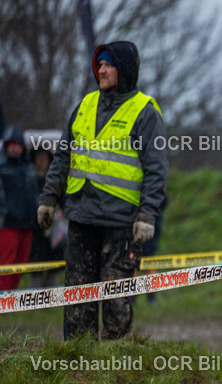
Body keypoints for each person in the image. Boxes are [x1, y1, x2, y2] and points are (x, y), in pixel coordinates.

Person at [38, 41, 168, 338]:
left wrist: (147, 215)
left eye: (108, 64)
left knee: (116, 303)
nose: (101, 69)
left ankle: (116, 371)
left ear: (124, 69)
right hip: (82, 218)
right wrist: (49, 198)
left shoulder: (145, 112)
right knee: (77, 301)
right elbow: (63, 157)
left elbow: (156, 169)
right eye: (100, 64)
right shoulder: (84, 105)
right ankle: (77, 366)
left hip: (122, 223)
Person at [0, 125, 39, 290]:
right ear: (6, 146)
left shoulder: (29, 167)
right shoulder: (2, 168)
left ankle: (13, 296)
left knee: (21, 262)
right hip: (8, 223)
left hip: (27, 223)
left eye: (18, 144)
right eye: (12, 144)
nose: (15, 148)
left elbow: (34, 193)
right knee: (7, 261)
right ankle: (3, 296)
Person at [28, 146, 67, 290]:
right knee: (36, 264)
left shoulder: (56, 180)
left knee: (54, 262)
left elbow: (64, 200)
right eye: (38, 158)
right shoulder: (30, 178)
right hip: (36, 229)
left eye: (44, 158)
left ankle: (51, 296)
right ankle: (34, 297)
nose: (41, 161)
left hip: (54, 230)